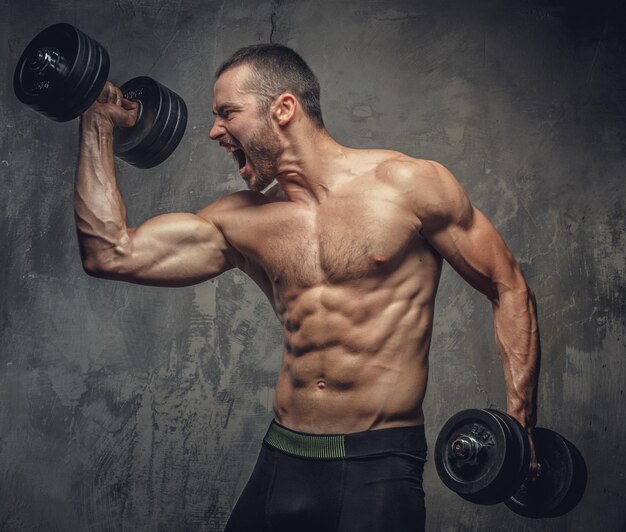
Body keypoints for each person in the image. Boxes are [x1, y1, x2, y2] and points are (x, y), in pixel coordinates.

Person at [74, 44, 540, 532]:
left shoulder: (409, 186)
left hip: (378, 465)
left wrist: (520, 421)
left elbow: (507, 285)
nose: (214, 131)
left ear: (284, 108)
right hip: (284, 457)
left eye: (227, 113)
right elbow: (109, 253)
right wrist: (97, 123)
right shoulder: (240, 221)